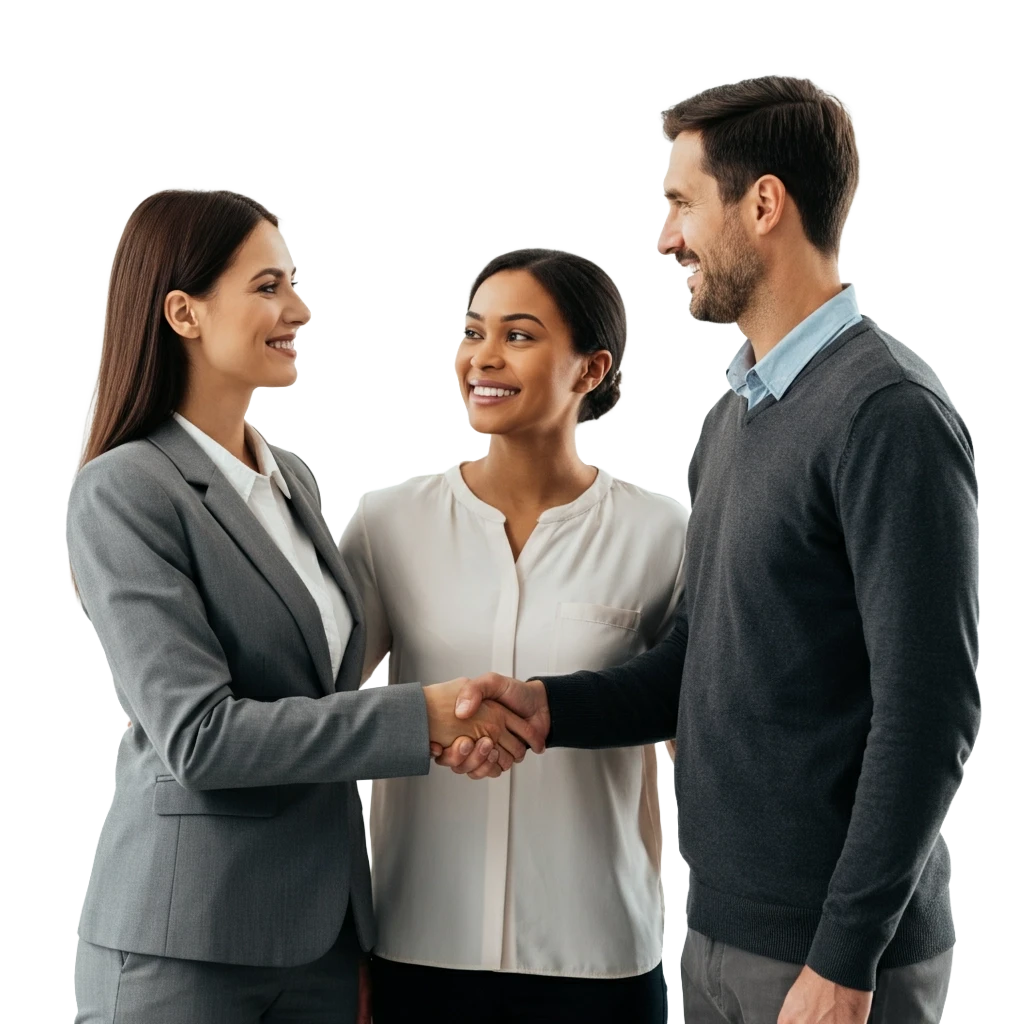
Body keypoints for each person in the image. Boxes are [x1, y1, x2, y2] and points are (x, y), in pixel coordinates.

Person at [438, 75, 983, 1024]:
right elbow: (696, 661)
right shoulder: (735, 417)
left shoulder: (887, 414)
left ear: (763, 204)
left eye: (682, 203)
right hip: (721, 939)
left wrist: (845, 960)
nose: (665, 238)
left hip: (835, 964)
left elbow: (931, 714)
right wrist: (546, 708)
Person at [66, 187, 540, 1024]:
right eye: (268, 286)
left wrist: (350, 936)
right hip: (188, 944)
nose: (300, 310)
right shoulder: (125, 490)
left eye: (294, 284)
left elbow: (313, 697)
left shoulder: (292, 481)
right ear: (183, 312)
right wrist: (415, 719)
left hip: (318, 937)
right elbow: (200, 736)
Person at [335, 247, 686, 1024]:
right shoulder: (391, 524)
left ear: (590, 369)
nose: (482, 358)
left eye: (519, 335)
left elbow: (692, 726)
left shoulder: (662, 536)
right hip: (418, 947)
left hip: (599, 957)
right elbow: (321, 719)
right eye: (472, 331)